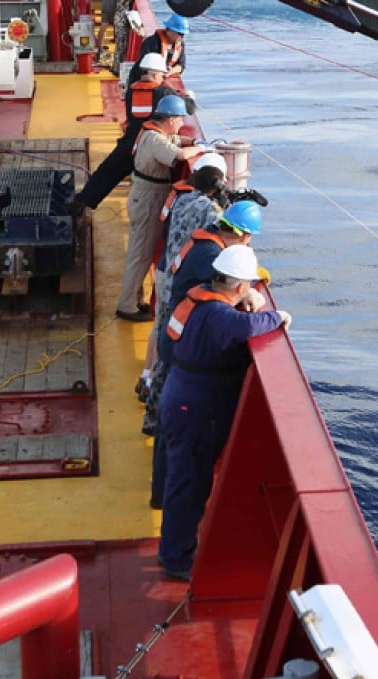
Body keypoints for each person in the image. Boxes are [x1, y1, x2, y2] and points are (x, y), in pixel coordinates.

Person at [157, 244, 291, 581]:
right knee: (189, 484)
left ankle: (174, 549)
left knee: (180, 477)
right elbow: (246, 328)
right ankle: (176, 560)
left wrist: (244, 304)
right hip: (195, 407)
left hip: (178, 393)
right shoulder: (220, 317)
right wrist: (277, 316)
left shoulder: (196, 297)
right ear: (242, 286)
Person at [148, 199, 267, 507]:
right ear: (242, 235)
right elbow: (238, 320)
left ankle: (160, 493)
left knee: (166, 425)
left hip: (175, 331)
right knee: (179, 448)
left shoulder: (206, 241)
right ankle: (167, 499)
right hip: (181, 345)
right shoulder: (211, 254)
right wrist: (260, 299)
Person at [135, 153, 228, 418]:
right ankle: (158, 397)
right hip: (184, 280)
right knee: (173, 337)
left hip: (165, 271)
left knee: (159, 326)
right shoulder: (209, 210)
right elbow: (220, 235)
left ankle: (146, 376)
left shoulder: (181, 197)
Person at [69, 53, 194, 215]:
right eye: (162, 75)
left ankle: (83, 203)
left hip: (130, 142)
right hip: (149, 144)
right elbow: (184, 109)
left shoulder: (131, 91)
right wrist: (188, 98)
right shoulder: (164, 92)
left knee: (107, 172)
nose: (163, 78)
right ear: (156, 74)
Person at [116, 95, 204, 322]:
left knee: (141, 252)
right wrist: (202, 149)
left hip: (147, 195)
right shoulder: (155, 140)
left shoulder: (153, 134)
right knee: (141, 254)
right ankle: (126, 305)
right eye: (179, 118)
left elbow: (176, 142)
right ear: (171, 119)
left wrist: (191, 142)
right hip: (148, 199)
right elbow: (179, 155)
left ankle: (135, 299)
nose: (182, 123)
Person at [127, 14, 188, 86]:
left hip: (161, 79)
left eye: (183, 34)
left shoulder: (180, 44)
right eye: (180, 33)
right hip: (142, 80)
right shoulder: (151, 43)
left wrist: (168, 73)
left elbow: (181, 65)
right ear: (169, 30)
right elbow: (144, 69)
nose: (182, 37)